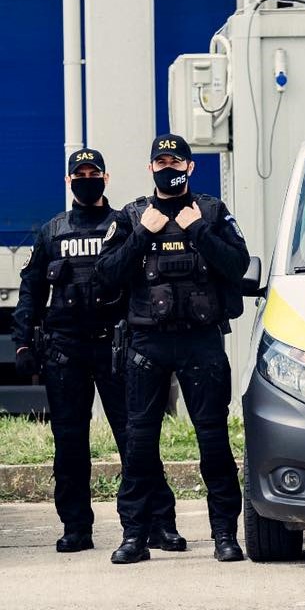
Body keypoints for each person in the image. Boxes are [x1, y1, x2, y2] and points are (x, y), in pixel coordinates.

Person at [12, 148, 180, 553]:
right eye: (79, 174)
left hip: (115, 346)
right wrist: (22, 341)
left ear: (105, 178)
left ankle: (159, 524)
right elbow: (31, 290)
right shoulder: (52, 232)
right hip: (64, 350)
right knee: (70, 443)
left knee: (135, 439)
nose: (86, 179)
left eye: (93, 173)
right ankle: (76, 528)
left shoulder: (123, 224)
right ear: (69, 181)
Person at [95, 134, 249, 564]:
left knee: (213, 441)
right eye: (161, 162)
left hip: (201, 343)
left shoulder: (212, 212)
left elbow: (238, 265)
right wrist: (142, 235)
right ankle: (134, 536)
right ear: (151, 168)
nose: (169, 168)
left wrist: (198, 229)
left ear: (190, 167)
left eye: (176, 162)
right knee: (139, 445)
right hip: (148, 344)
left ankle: (225, 535)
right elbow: (106, 274)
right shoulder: (132, 216)